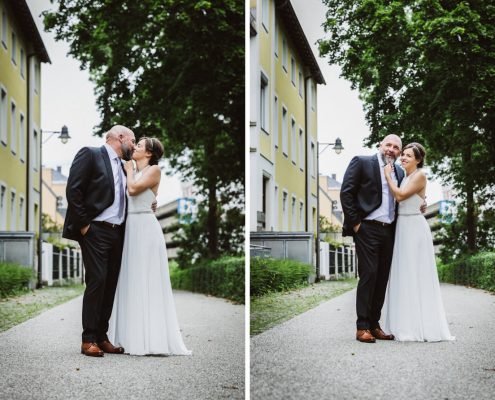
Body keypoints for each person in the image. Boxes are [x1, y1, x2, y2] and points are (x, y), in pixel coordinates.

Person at [108, 137, 191, 356]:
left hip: (145, 228)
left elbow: (134, 189)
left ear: (149, 153)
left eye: (139, 146)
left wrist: (128, 170)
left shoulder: (153, 170)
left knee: (148, 280)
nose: (134, 147)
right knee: (131, 279)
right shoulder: (135, 171)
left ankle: (151, 339)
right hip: (130, 228)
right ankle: (129, 337)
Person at [64, 125, 136, 357]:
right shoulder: (91, 154)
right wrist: (85, 226)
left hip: (118, 232)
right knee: (97, 281)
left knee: (110, 283)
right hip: (95, 230)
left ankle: (102, 336)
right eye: (133, 141)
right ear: (120, 137)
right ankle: (88, 339)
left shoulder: (125, 168)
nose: (134, 146)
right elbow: (73, 190)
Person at [383, 143, 454, 341]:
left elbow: (400, 196)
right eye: (402, 155)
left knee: (416, 273)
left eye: (408, 155)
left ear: (418, 160)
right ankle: (405, 323)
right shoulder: (405, 176)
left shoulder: (420, 175)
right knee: (404, 274)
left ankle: (421, 326)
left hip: (414, 227)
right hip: (403, 227)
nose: (403, 158)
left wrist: (388, 176)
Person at [341, 134, 408, 343]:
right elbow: (346, 193)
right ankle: (362, 327)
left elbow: (402, 197)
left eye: (396, 147)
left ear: (399, 152)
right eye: (388, 144)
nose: (391, 149)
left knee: (381, 278)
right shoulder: (361, 162)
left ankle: (374, 324)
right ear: (380, 145)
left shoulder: (399, 171)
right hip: (366, 228)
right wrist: (356, 224)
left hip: (389, 230)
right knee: (369, 274)